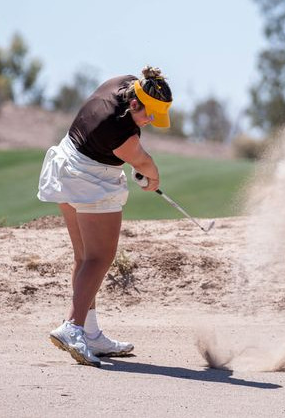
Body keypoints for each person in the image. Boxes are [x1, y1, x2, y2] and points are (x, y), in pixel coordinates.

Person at [37, 65, 173, 367]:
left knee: (84, 257)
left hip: (65, 163)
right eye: (148, 114)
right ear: (135, 103)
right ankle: (71, 327)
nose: (150, 121)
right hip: (87, 180)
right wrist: (153, 179)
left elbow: (133, 154)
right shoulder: (120, 132)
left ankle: (90, 331)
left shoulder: (123, 82)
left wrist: (140, 167)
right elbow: (146, 165)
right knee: (99, 258)